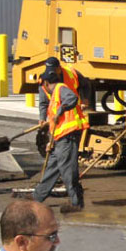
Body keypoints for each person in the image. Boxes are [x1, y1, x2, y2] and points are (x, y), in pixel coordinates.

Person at [34, 71, 88, 213]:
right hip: (59, 138)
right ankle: (37, 198)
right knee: (52, 168)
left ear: (46, 83)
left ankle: (76, 203)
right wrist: (51, 140)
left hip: (68, 137)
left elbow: (72, 99)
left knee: (68, 170)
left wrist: (60, 111)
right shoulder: (54, 95)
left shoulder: (61, 89)